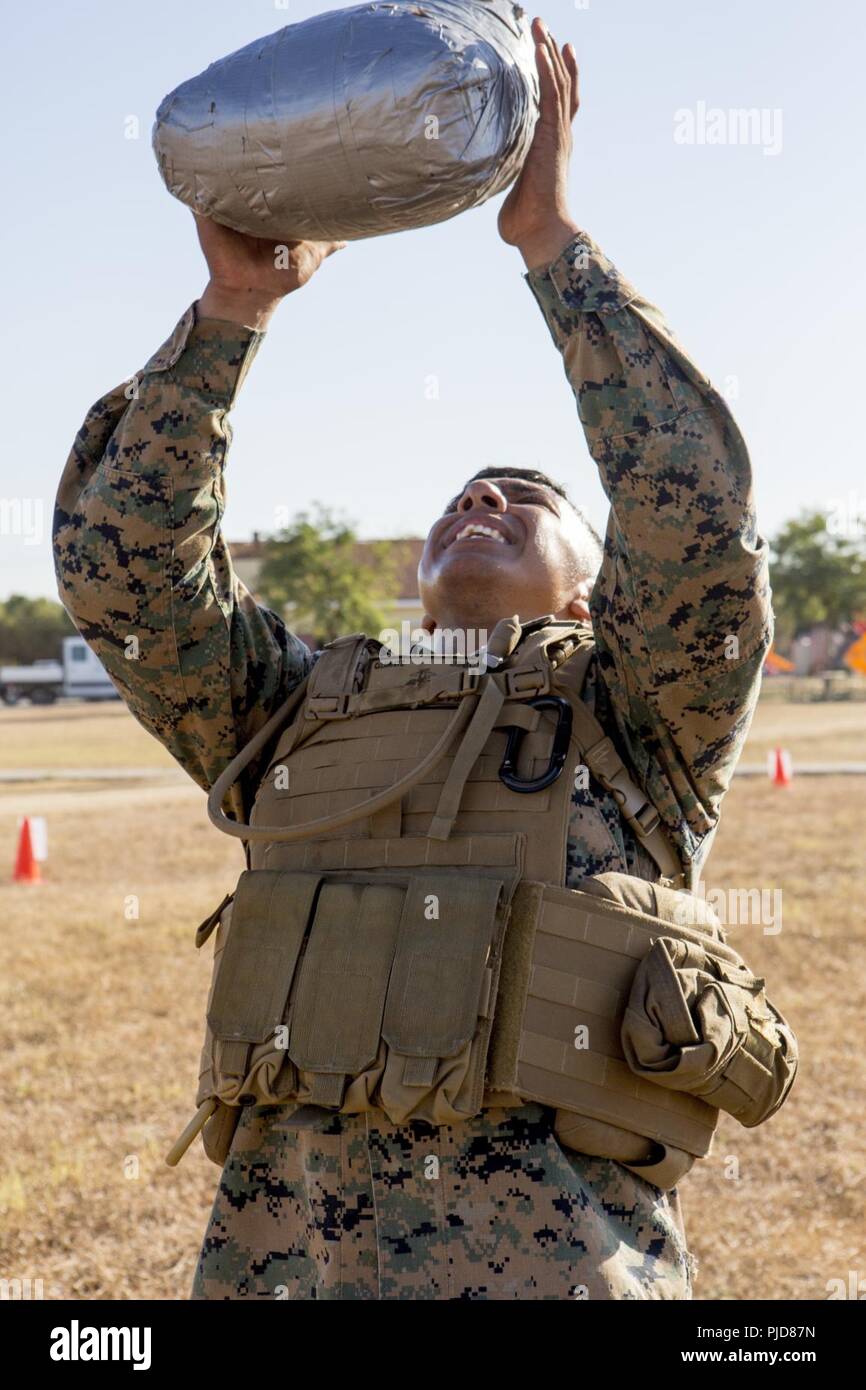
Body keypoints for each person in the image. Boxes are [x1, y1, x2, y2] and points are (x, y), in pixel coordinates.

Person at [54, 19, 772, 1300]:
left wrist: (551, 244)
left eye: (522, 497)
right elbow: (124, 573)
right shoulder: (293, 712)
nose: (479, 500)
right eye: (458, 495)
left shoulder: (643, 713)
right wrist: (231, 311)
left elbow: (695, 515)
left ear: (598, 584)